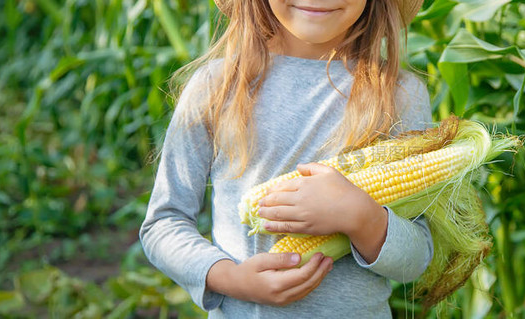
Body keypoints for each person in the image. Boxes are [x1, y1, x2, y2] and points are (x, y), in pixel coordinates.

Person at [138, 0, 434, 317]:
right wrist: (230, 278)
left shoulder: (400, 95)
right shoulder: (217, 86)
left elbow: (415, 260)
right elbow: (163, 224)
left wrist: (362, 218)